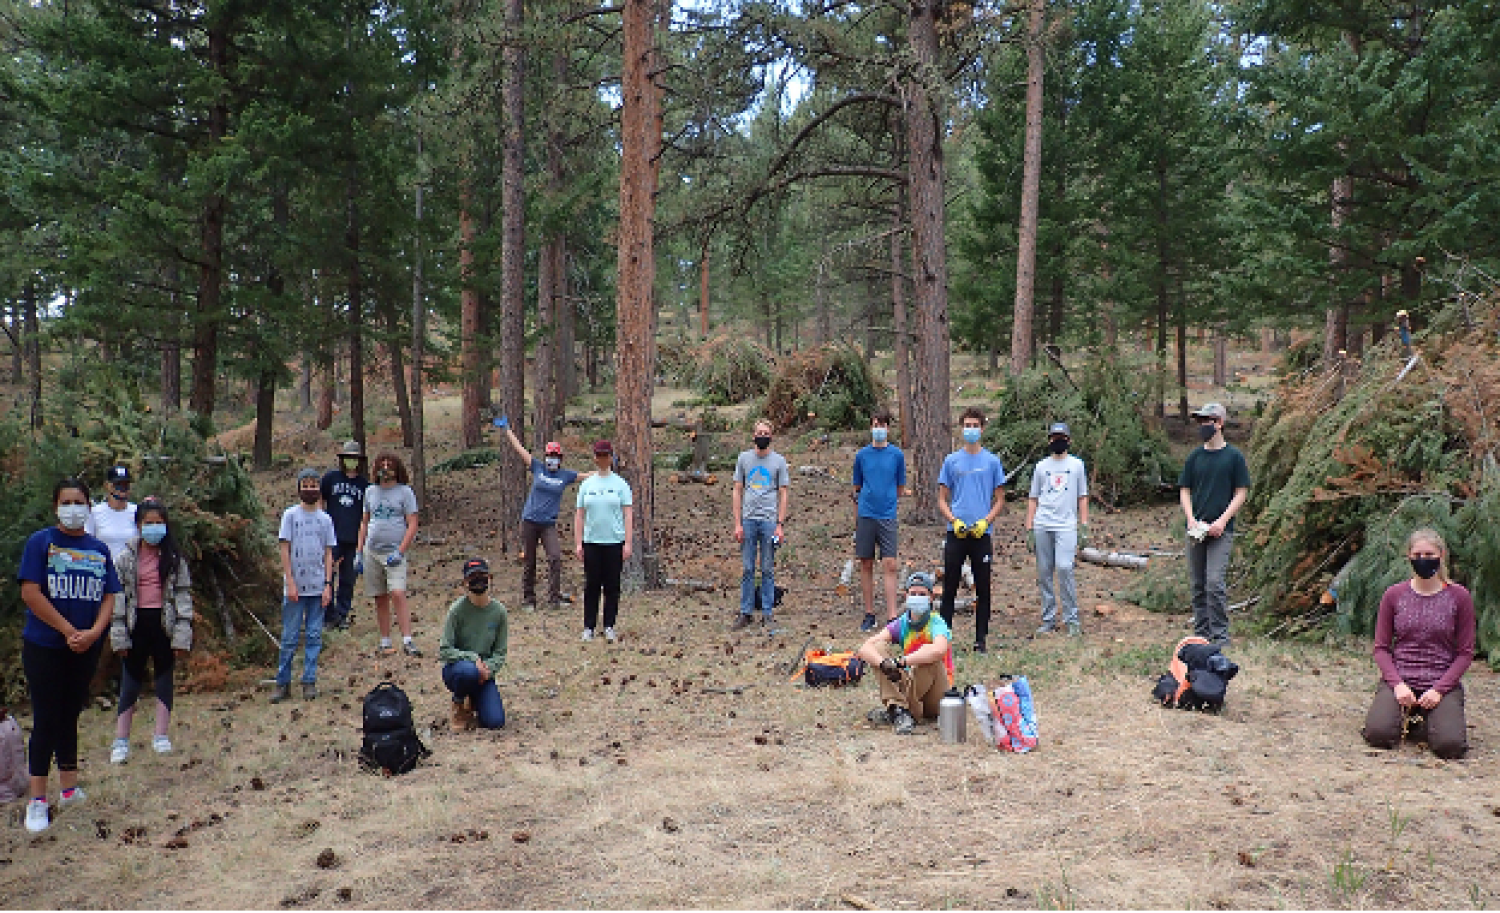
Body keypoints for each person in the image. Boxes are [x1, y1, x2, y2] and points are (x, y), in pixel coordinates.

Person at [17, 478, 122, 833]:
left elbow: (109, 594)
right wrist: (66, 630)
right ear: (55, 507)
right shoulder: (41, 543)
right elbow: (31, 593)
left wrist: (94, 633)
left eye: (79, 501)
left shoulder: (98, 549)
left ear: (88, 507)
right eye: (67, 501)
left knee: (69, 715)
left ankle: (69, 787)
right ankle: (37, 800)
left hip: (85, 647)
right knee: (46, 719)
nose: (73, 508)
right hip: (46, 646)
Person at [1361, 529, 1475, 760]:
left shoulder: (1459, 597)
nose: (1423, 559)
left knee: (1450, 746)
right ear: (1409, 557)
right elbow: (1381, 648)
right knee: (1378, 735)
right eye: (1418, 554)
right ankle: (1404, 714)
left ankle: (1431, 718)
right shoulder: (1394, 595)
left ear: (1441, 555)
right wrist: (1397, 684)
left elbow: (1465, 653)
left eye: (1429, 554)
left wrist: (1439, 690)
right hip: (1402, 680)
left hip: (1440, 683)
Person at [109, 497, 193, 764]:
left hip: (164, 625)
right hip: (136, 624)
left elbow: (182, 597)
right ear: (138, 525)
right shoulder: (124, 559)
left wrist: (182, 633)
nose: (154, 528)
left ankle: (161, 735)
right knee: (131, 682)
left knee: (164, 680)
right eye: (149, 523)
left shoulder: (175, 560)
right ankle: (121, 740)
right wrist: (119, 633)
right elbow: (117, 598)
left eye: (159, 523)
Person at [494, 415, 592, 611]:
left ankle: (554, 598)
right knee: (529, 560)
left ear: (560, 459)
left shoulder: (565, 476)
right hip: (529, 521)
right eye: (549, 455)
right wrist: (507, 430)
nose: (552, 459)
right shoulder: (537, 467)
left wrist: (607, 468)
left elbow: (586, 476)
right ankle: (528, 599)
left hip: (548, 524)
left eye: (555, 456)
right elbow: (520, 449)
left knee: (555, 557)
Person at [1178, 402, 1250, 648]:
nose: (1203, 426)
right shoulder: (1194, 457)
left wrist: (1222, 521)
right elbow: (1185, 490)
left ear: (1219, 423)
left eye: (1207, 421)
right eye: (1200, 421)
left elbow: (1241, 492)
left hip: (1221, 531)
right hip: (1196, 529)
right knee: (1198, 584)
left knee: (1214, 583)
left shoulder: (1234, 457)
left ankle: (1220, 636)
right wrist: (1190, 518)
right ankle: (1201, 634)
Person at [937, 407, 1007, 652]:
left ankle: (980, 641)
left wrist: (985, 522)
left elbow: (1000, 499)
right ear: (961, 428)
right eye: (967, 425)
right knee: (950, 588)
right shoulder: (951, 461)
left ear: (982, 428)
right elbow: (941, 499)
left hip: (981, 536)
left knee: (983, 588)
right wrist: (953, 520)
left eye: (975, 425)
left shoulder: (992, 461)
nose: (971, 430)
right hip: (956, 533)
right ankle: (943, 641)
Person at [856, 571, 953, 735]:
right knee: (878, 647)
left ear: (931, 598)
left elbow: (939, 650)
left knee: (929, 656)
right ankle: (900, 711)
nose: (917, 597)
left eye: (922, 594)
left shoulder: (936, 622)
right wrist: (883, 664)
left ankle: (897, 710)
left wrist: (901, 662)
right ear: (906, 596)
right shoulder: (901, 623)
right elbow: (865, 648)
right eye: (913, 593)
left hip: (937, 695)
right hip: (912, 684)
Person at [274, 469, 337, 703]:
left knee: (313, 636)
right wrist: (290, 581)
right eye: (306, 485)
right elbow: (284, 548)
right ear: (299, 488)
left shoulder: (325, 519)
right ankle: (282, 682)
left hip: (317, 586)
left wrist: (328, 584)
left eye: (314, 485)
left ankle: (309, 680)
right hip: (295, 589)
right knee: (290, 636)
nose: (310, 489)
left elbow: (329, 553)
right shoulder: (290, 516)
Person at [1026, 422, 1091, 637]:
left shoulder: (1077, 465)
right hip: (1043, 523)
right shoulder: (1041, 467)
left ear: (1069, 440)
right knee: (1044, 572)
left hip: (1066, 525)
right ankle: (1048, 618)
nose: (1058, 441)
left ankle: (1071, 618)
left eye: (1061, 437)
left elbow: (1082, 496)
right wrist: (1029, 527)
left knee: (1064, 568)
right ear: (1049, 441)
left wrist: (1083, 525)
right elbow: (1033, 498)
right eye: (1054, 438)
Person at [358, 452, 422, 657]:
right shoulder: (370, 492)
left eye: (389, 464)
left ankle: (407, 639)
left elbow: (412, 524)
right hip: (373, 552)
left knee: (398, 593)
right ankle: (385, 640)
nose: (385, 468)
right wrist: (359, 551)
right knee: (380, 596)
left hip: (394, 552)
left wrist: (401, 550)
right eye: (381, 464)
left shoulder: (405, 492)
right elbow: (365, 521)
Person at [732, 419, 790, 630]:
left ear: (771, 436)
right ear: (753, 435)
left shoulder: (779, 462)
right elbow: (737, 490)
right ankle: (745, 612)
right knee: (748, 568)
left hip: (768, 521)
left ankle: (767, 612)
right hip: (748, 520)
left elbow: (783, 493)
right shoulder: (744, 459)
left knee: (767, 568)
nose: (762, 435)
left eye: (766, 432)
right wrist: (737, 523)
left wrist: (779, 524)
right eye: (759, 432)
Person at [439, 558, 509, 731]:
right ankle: (458, 704)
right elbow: (445, 650)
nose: (478, 580)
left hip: (484, 674)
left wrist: (487, 669)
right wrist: (472, 659)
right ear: (465, 583)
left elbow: (500, 652)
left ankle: (474, 701)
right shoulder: (457, 611)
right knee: (468, 671)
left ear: (490, 578)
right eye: (473, 577)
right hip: (459, 671)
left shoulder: (499, 612)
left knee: (495, 721)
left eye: (482, 576)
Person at [852, 410, 907, 632]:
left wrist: (889, 501)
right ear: (871, 427)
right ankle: (869, 613)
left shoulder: (897, 455)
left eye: (883, 425)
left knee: (890, 564)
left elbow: (900, 487)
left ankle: (892, 615)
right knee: (866, 563)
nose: (879, 429)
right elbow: (857, 487)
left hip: (887, 515)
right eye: (876, 424)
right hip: (866, 514)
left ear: (888, 429)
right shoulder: (862, 456)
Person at [574, 440, 633, 643]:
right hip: (592, 542)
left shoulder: (620, 484)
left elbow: (627, 514)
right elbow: (580, 515)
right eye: (599, 455)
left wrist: (628, 542)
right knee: (592, 585)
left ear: (611, 457)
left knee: (612, 586)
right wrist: (578, 543)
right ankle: (588, 626)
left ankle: (609, 625)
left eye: (606, 455)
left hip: (614, 542)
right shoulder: (587, 484)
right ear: (594, 458)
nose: (602, 459)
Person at [320, 440, 369, 630]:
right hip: (331, 538)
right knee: (327, 577)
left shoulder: (365, 485)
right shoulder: (331, 478)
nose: (351, 462)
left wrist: (362, 544)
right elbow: (319, 500)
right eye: (348, 458)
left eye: (354, 459)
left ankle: (342, 615)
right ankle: (328, 615)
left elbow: (367, 515)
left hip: (354, 539)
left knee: (348, 579)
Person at [85, 464, 138, 564]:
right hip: (103, 570)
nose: (122, 488)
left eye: (125, 484)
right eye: (117, 484)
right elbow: (87, 543)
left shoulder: (137, 511)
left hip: (130, 572)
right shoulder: (94, 513)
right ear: (107, 486)